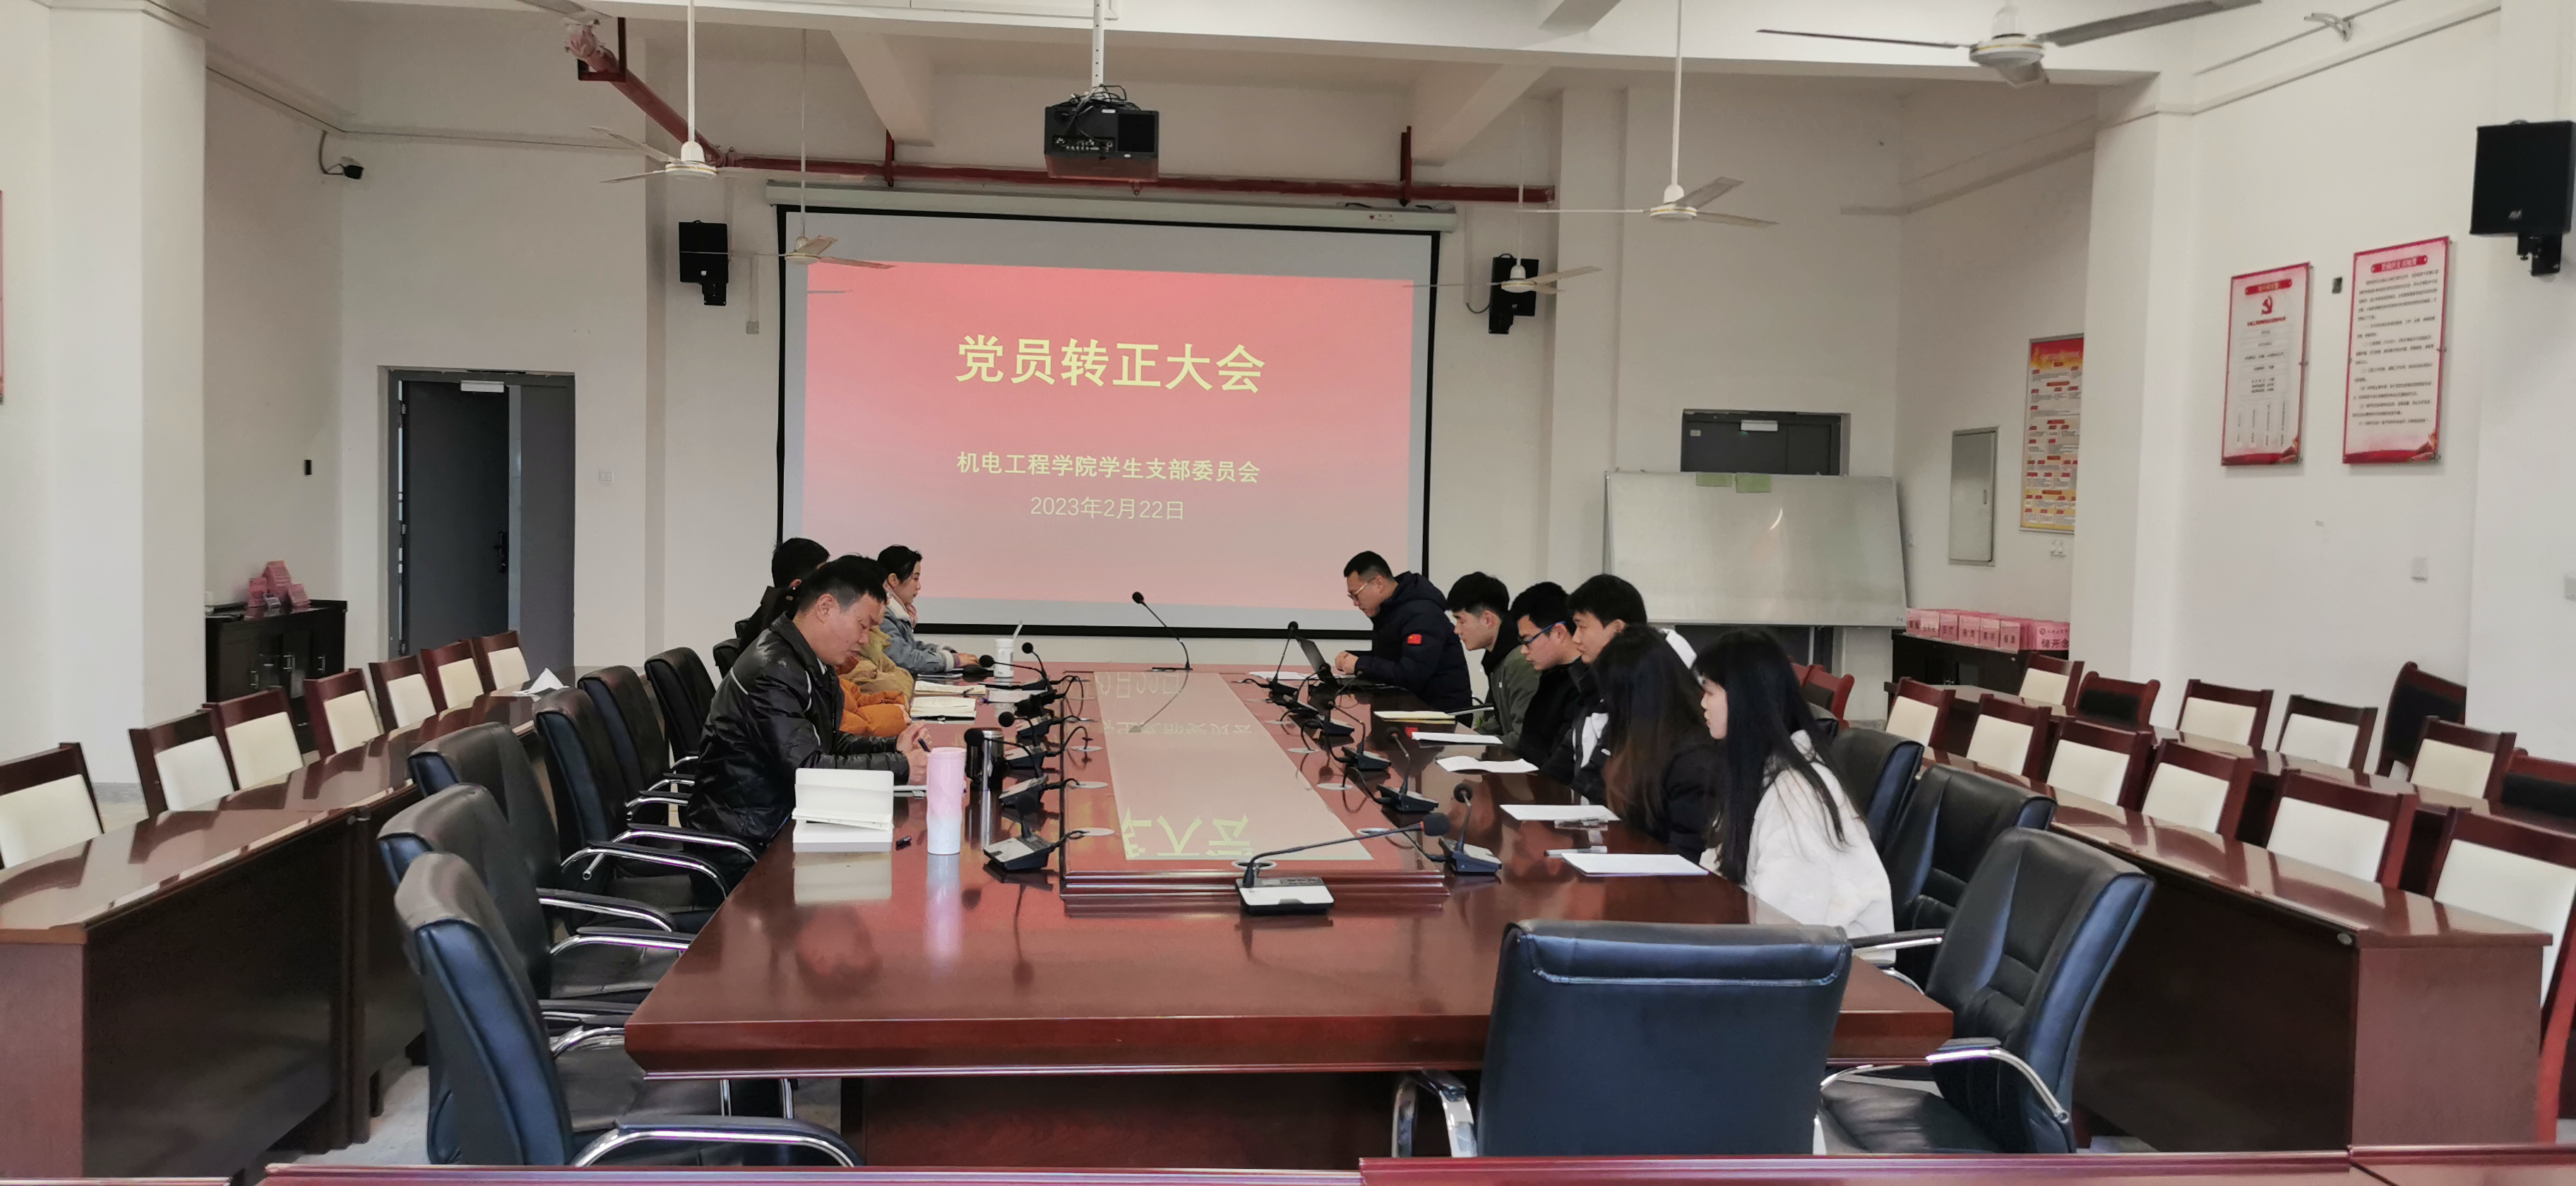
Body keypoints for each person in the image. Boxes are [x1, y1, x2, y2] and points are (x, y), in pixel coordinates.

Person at [691, 555, 927, 845]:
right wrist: (901, 767)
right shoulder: (774, 672)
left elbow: (827, 741)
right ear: (825, 607)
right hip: (751, 841)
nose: (866, 640)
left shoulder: (809, 660)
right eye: (863, 626)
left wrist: (893, 746)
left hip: (783, 817)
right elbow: (807, 771)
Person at [1692, 630, 1893, 939]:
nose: (1702, 703)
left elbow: (1785, 926)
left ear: (1744, 698)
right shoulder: (1755, 772)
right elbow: (1717, 872)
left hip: (1843, 962)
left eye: (1710, 691)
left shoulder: (1797, 796)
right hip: (1782, 948)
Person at [1551, 573, 1698, 802]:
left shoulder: (1655, 690)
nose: (1576, 638)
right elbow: (1569, 758)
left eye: (1582, 627)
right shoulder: (1594, 681)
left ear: (1617, 629)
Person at [1590, 630, 1722, 863]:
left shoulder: (1693, 760)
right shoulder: (1636, 739)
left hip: (1665, 878)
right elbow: (1591, 783)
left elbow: (1687, 856)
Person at [1329, 551, 1470, 711]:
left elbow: (1411, 675)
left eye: (1356, 595)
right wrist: (1354, 658)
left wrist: (1359, 664)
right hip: (1409, 708)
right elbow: (1391, 658)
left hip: (1440, 713)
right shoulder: (1391, 610)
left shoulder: (1422, 614)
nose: (1355, 603)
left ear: (1378, 583)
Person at [1445, 572, 1537, 746]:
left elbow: (1523, 739)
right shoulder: (1498, 658)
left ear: (1488, 620)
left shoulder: (1521, 660)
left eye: (1461, 620)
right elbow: (1501, 721)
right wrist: (1467, 739)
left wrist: (1471, 745)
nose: (1457, 630)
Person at [1506, 581, 1580, 768]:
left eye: (1527, 641)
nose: (1523, 651)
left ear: (1558, 633)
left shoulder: (1582, 685)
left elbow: (1559, 764)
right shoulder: (1551, 675)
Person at [732, 537, 830, 655]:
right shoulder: (781, 630)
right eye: (823, 579)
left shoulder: (770, 611)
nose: (829, 586)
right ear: (797, 585)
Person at [876, 545, 962, 676]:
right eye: (915, 579)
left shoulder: (895, 614)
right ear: (893, 580)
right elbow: (904, 659)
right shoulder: (883, 615)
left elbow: (907, 646)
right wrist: (949, 661)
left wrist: (939, 651)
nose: (919, 586)